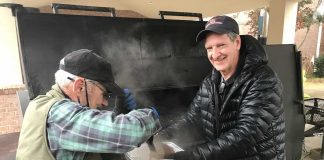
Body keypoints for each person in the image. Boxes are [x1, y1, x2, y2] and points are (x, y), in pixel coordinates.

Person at [153, 15, 285, 159]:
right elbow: (192, 120)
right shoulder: (210, 82)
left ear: (237, 42)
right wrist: (159, 137)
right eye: (209, 48)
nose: (215, 54)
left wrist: (188, 157)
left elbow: (246, 134)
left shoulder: (263, 79)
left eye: (221, 45)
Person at [16, 49, 161, 160]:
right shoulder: (59, 114)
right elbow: (130, 134)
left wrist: (119, 112)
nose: (105, 102)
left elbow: (96, 137)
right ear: (79, 86)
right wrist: (153, 114)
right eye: (104, 93)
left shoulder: (43, 102)